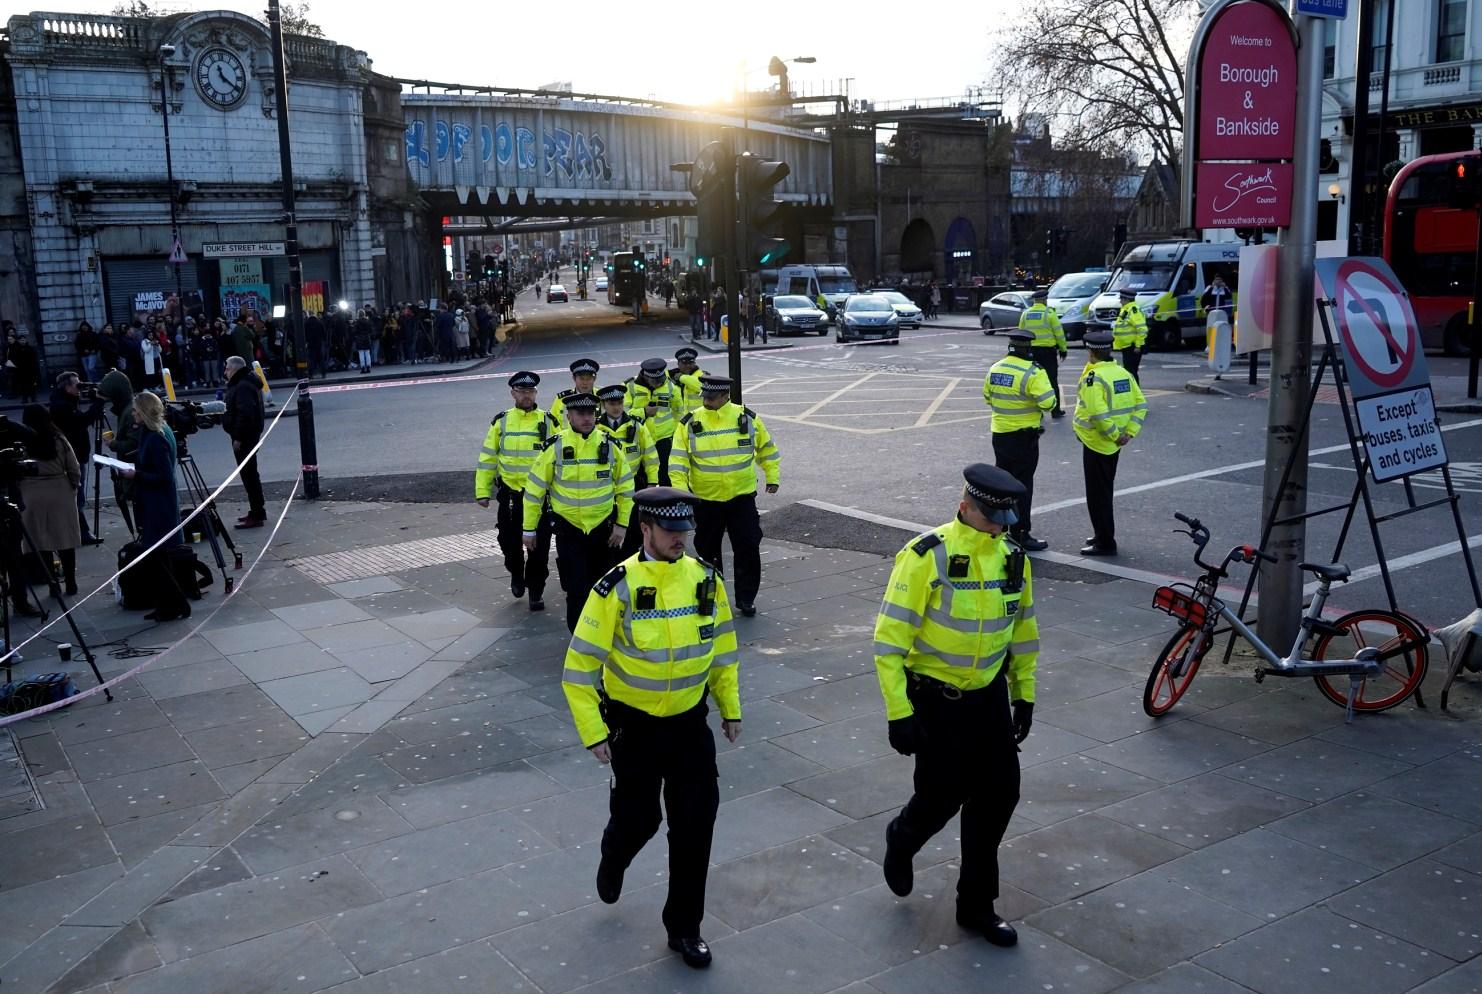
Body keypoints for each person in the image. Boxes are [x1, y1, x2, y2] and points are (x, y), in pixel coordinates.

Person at [561, 486, 740, 970]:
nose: (680, 538)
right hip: (633, 729)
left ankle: (685, 927)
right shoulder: (615, 587)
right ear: (645, 529)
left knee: (695, 827)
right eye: (670, 530)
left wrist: (731, 708)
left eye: (686, 529)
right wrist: (593, 732)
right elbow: (578, 670)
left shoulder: (706, 580)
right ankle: (615, 851)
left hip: (689, 726)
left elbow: (723, 652)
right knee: (639, 820)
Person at [874, 464, 1040, 948]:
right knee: (941, 796)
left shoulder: (1013, 558)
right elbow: (888, 642)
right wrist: (898, 713)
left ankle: (976, 905)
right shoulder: (927, 556)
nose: (1001, 525)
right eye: (992, 516)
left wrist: (1023, 693)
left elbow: (1022, 633)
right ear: (965, 505)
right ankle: (903, 837)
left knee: (1000, 793)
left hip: (986, 697)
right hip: (936, 698)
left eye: (1006, 517)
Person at [669, 375, 780, 617]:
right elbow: (677, 461)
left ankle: (746, 598)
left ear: (725, 396)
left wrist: (772, 476)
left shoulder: (746, 418)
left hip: (741, 498)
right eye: (705, 397)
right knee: (707, 552)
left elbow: (767, 449)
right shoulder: (690, 422)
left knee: (748, 546)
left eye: (712, 397)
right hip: (706, 500)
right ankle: (713, 597)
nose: (707, 401)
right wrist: (682, 494)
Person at [522, 391, 633, 632]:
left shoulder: (610, 445)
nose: (586, 418)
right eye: (580, 414)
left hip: (603, 529)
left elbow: (626, 488)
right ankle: (579, 638)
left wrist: (622, 525)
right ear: (569, 416)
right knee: (576, 588)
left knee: (604, 586)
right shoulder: (556, 446)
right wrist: (529, 529)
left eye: (590, 413)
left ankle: (603, 634)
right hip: (569, 529)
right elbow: (534, 491)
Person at [476, 371, 559, 611]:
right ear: (513, 393)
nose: (527, 395)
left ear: (536, 393)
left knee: (539, 548)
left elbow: (559, 460)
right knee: (508, 543)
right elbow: (488, 458)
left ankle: (535, 591)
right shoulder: (501, 421)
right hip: (510, 496)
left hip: (539, 497)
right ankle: (516, 572)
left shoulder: (548, 421)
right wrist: (482, 490)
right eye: (522, 392)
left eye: (531, 391)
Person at [1074, 331, 1148, 556]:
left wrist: (1114, 434)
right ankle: (1101, 533)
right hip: (1113, 445)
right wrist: (1129, 433)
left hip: (1098, 443)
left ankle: (1105, 542)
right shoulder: (1122, 373)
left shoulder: (1094, 377)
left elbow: (1097, 413)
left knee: (1098, 496)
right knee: (1104, 492)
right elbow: (1141, 404)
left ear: (1091, 352)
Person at [119, 392, 189, 621]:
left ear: (144, 412)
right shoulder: (157, 431)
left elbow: (163, 476)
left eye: (136, 411)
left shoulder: (156, 437)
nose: (133, 414)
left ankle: (174, 604)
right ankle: (169, 604)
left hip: (158, 505)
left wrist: (135, 474)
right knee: (159, 558)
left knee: (156, 557)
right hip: (158, 502)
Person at [984, 329, 1055, 551]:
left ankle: (1000, 529)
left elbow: (988, 397)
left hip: (1000, 434)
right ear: (1028, 349)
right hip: (1024, 438)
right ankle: (1021, 533)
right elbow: (1049, 403)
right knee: (1023, 486)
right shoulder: (1033, 373)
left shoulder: (995, 368)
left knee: (1002, 484)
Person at [18, 404, 82, 597]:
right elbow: (74, 467)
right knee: (65, 539)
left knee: (41, 542)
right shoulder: (58, 439)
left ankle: (52, 582)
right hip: (59, 490)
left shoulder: (22, 441)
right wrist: (73, 486)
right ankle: (71, 582)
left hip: (31, 492)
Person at [49, 372, 105, 546]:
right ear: (66, 387)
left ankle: (79, 532)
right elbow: (83, 420)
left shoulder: (63, 401)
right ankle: (82, 533)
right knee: (77, 497)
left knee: (75, 496)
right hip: (72, 455)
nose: (79, 388)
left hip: (75, 453)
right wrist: (99, 401)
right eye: (76, 385)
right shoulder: (62, 406)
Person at [222, 355, 268, 529]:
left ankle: (257, 512)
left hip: (245, 437)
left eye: (227, 368)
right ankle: (256, 509)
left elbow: (245, 413)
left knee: (249, 475)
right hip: (247, 435)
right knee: (249, 474)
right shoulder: (244, 383)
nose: (225, 371)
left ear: (234, 369)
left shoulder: (242, 386)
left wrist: (239, 437)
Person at [624, 358, 680, 484]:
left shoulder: (670, 386)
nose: (657, 384)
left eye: (660, 380)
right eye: (654, 381)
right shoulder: (630, 387)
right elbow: (623, 413)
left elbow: (678, 411)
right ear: (645, 376)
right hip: (640, 437)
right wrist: (643, 412)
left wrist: (675, 433)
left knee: (666, 473)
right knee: (642, 474)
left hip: (664, 438)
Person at [1018, 288, 1068, 418]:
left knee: (1032, 382)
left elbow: (1021, 334)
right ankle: (1055, 411)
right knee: (1052, 381)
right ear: (1044, 300)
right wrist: (1063, 349)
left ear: (1035, 301)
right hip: (1048, 353)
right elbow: (1059, 334)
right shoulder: (1049, 314)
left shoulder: (1026, 314)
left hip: (1030, 353)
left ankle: (1037, 412)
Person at [1111, 288, 1147, 384]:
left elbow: (1142, 329)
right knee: (1129, 371)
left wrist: (1138, 345)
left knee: (1131, 372)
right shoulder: (1126, 310)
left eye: (1121, 299)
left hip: (1133, 347)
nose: (1120, 301)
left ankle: (1136, 393)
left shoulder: (1133, 310)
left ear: (1126, 300)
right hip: (1127, 346)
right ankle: (1134, 392)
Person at [551, 358, 599, 429]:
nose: (585, 383)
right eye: (581, 379)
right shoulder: (561, 399)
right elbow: (553, 424)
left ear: (594, 379)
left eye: (588, 379)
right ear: (574, 378)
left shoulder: (602, 397)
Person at [668, 347, 706, 417]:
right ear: (678, 363)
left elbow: (702, 386)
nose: (688, 366)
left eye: (691, 363)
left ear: (695, 362)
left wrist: (682, 377)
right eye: (684, 363)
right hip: (678, 420)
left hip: (697, 418)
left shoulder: (703, 375)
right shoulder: (670, 376)